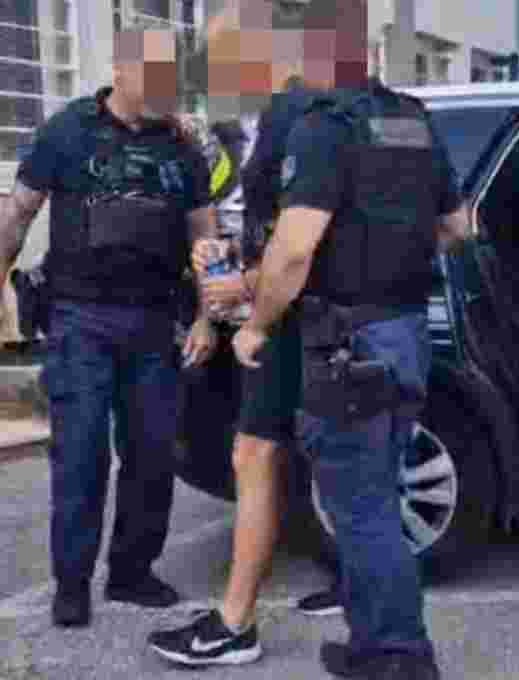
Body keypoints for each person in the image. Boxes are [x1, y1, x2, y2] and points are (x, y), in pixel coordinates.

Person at [232, 0, 469, 675]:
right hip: (405, 333)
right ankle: (374, 644)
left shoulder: (323, 127)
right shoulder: (414, 120)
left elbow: (292, 252)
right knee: (378, 499)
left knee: (362, 511)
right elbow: (458, 228)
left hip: (348, 344)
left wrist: (257, 325)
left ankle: (399, 655)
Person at [0, 28, 217, 628]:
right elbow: (18, 214)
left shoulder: (183, 146)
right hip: (80, 319)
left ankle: (131, 572)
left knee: (153, 454)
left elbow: (206, 235)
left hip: (155, 322)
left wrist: (207, 315)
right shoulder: (67, 131)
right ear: (121, 71)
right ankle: (72, 584)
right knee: (81, 455)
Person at [146, 1, 341, 666]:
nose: (213, 67)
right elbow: (266, 227)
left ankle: (235, 624)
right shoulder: (279, 117)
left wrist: (246, 300)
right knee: (318, 455)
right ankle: (357, 589)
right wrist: (224, 262)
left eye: (222, 52)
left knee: (256, 455)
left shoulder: (297, 114)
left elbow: (299, 242)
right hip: (298, 311)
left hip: (288, 315)